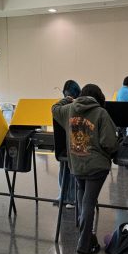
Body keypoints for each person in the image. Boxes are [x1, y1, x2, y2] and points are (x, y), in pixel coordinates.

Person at [52, 84, 119, 254]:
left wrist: (66, 99)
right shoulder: (101, 113)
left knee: (83, 199)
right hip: (96, 167)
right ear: (99, 97)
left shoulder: (68, 110)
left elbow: (54, 108)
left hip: (76, 164)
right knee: (89, 202)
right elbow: (109, 143)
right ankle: (84, 244)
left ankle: (87, 237)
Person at [55, 80, 81, 209]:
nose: (67, 97)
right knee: (63, 170)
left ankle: (72, 197)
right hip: (65, 144)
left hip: (77, 145)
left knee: (72, 172)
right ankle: (64, 195)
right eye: (65, 95)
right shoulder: (66, 107)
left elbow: (55, 108)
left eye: (69, 95)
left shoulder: (78, 106)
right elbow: (54, 109)